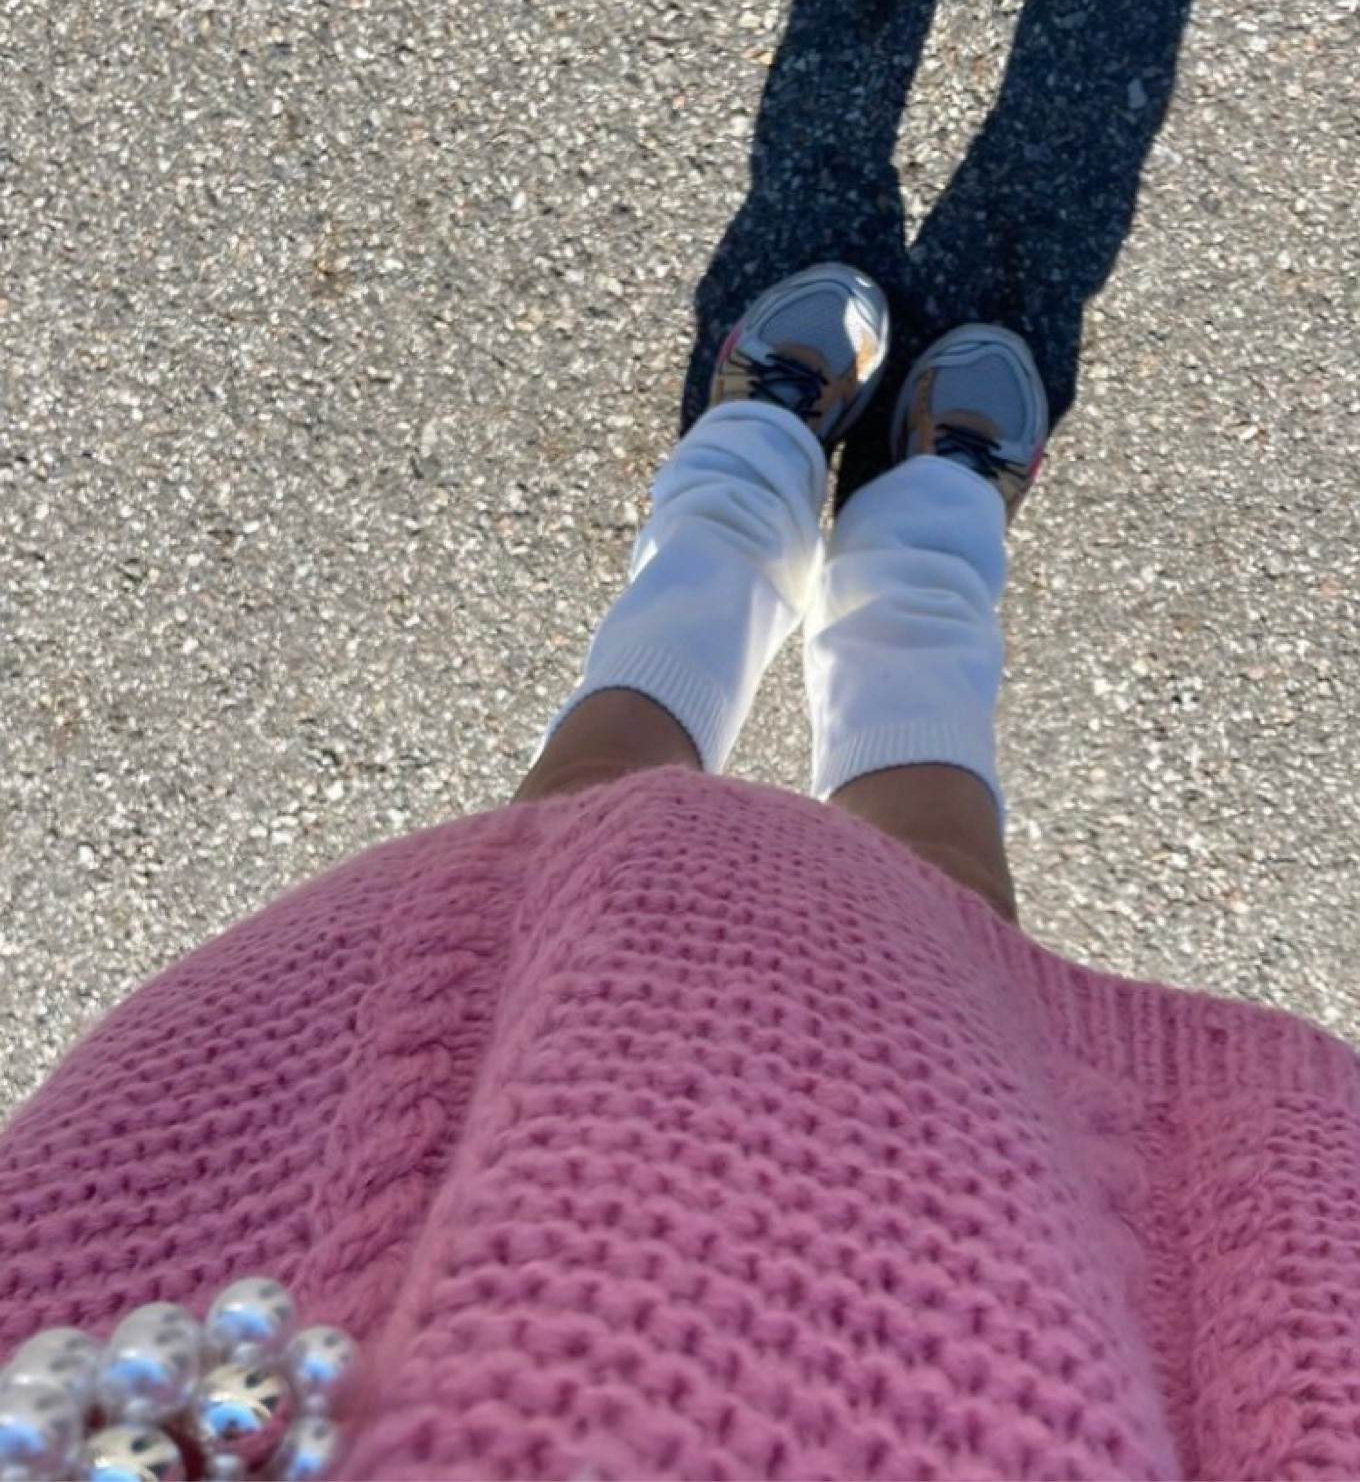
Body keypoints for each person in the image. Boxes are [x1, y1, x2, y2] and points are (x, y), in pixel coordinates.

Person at [3, 265, 1360, 1481]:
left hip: (211, 1344)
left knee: (581, 846)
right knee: (944, 921)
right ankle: (920, 558)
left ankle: (738, 498)